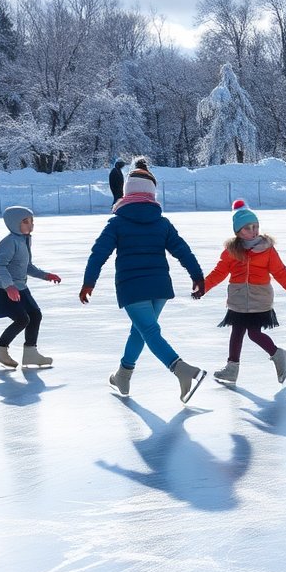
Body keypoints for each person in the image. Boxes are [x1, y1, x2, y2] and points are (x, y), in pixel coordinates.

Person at [80, 160, 208, 403]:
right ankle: (123, 375)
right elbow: (183, 251)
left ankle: (181, 368)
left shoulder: (117, 223)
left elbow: (99, 253)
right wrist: (197, 276)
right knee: (140, 331)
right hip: (159, 287)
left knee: (148, 330)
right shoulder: (162, 223)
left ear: (127, 192)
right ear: (152, 194)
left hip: (131, 286)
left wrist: (89, 282)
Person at [203, 201, 286, 387]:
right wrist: (203, 287)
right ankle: (232, 369)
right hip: (238, 299)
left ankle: (279, 355)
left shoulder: (267, 249)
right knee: (237, 332)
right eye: (248, 228)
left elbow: (280, 272)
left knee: (254, 334)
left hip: (259, 298)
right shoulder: (232, 251)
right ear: (238, 232)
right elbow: (219, 272)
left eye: (255, 226)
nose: (253, 230)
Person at [0, 205, 62, 368]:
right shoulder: (9, 242)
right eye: (25, 221)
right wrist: (9, 286)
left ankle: (30, 353)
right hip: (4, 289)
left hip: (20, 287)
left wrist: (46, 275)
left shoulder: (24, 239)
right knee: (22, 319)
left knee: (35, 314)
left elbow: (27, 266)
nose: (30, 225)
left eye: (32, 221)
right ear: (13, 223)